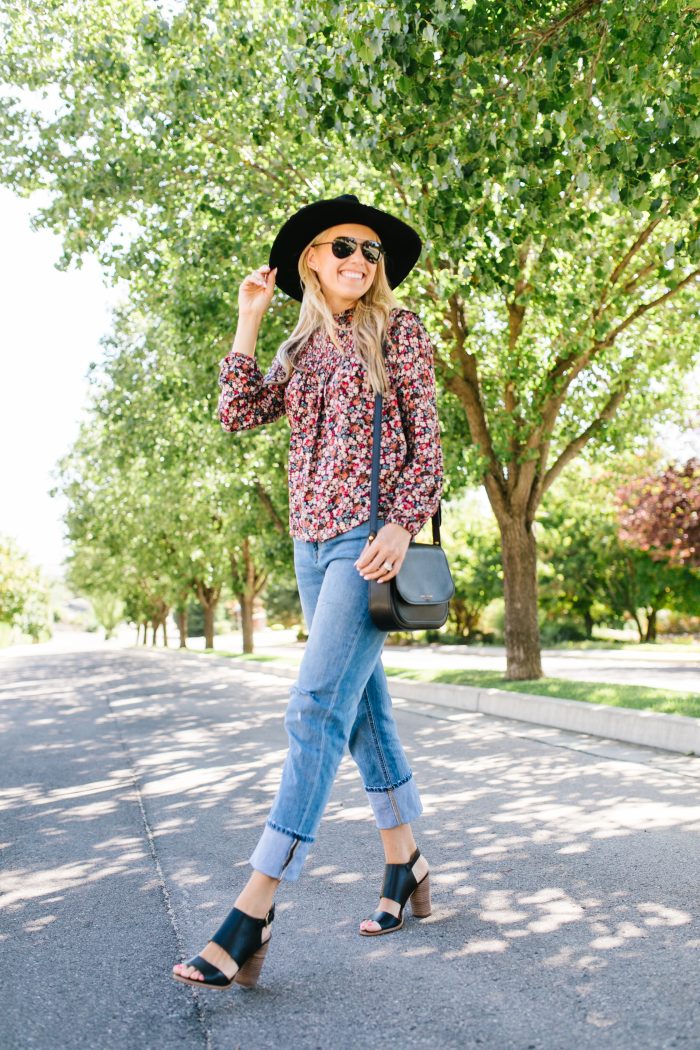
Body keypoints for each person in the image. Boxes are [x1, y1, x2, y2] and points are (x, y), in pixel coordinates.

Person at [172, 193, 444, 992]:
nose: (358, 260)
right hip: (308, 544)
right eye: (340, 248)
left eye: (369, 251)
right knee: (363, 714)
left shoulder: (402, 332)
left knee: (314, 709)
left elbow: (428, 442)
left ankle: (254, 907)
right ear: (311, 263)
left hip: (367, 544)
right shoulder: (296, 351)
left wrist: (401, 522)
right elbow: (235, 412)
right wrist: (249, 321)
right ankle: (406, 864)